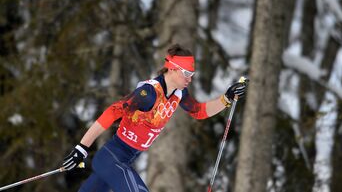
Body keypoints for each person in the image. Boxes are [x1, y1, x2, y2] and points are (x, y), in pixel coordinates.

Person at [61, 44, 247, 192]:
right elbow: (112, 112)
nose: (190, 78)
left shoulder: (179, 94)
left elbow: (199, 111)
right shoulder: (148, 93)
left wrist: (226, 98)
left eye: (192, 74)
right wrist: (81, 148)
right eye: (187, 73)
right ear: (173, 69)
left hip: (125, 160)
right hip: (111, 158)